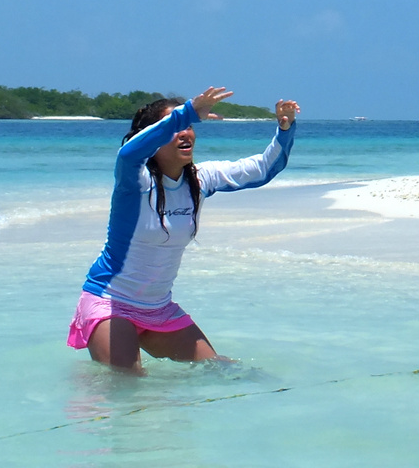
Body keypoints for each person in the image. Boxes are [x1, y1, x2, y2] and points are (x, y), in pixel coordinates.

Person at [67, 86, 299, 371]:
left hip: (158, 308)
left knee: (222, 370)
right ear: (156, 136)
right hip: (110, 303)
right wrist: (186, 112)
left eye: (189, 126)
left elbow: (263, 168)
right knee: (128, 390)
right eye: (176, 126)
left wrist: (285, 129)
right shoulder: (136, 182)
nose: (185, 132)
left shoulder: (200, 180)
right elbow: (128, 154)